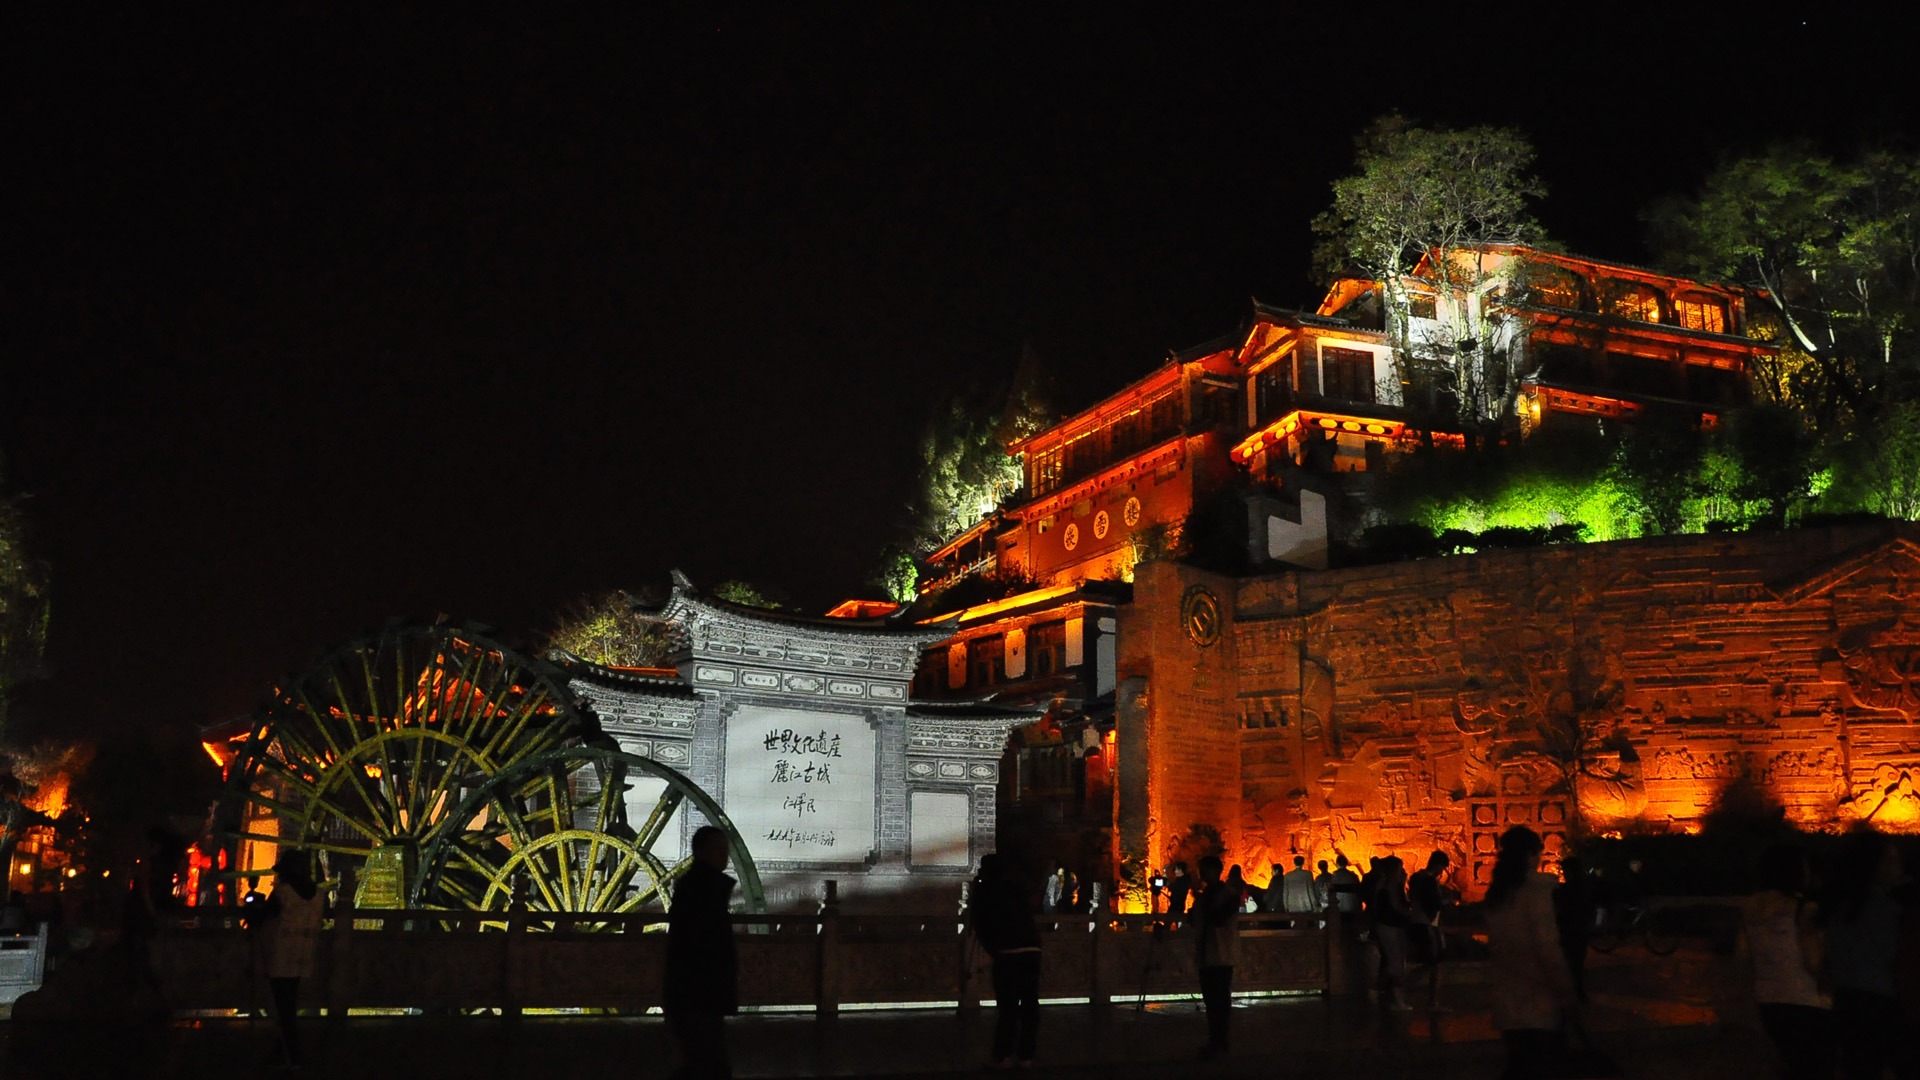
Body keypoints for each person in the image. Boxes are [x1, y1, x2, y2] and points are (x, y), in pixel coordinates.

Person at [1483, 826, 1578, 1079]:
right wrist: (1565, 989)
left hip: (1508, 998)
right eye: (1538, 854)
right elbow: (1546, 945)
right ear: (1529, 855)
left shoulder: (1497, 894)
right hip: (1537, 997)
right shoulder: (1535, 892)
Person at [1824, 829, 1916, 1080]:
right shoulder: (1890, 908)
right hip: (1882, 1003)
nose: (1898, 866)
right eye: (1891, 859)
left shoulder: (1837, 905)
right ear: (1875, 865)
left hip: (1846, 1001)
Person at [1744, 843, 1833, 1080]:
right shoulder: (1804, 909)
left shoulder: (1749, 910)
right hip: (1807, 1001)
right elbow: (1813, 960)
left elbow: (1742, 957)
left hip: (1769, 1001)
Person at [665, 825, 739, 1080]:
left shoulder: (693, 887)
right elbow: (704, 944)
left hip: (693, 993)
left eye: (725, 849)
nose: (725, 855)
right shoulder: (704, 891)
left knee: (700, 1061)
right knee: (709, 1063)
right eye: (719, 849)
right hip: (700, 991)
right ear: (700, 852)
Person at [968, 854, 1041, 1069]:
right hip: (1031, 949)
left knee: (1008, 1007)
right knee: (1029, 1005)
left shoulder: (986, 890)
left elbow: (979, 923)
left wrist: (993, 949)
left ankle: (1002, 1055)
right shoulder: (1014, 887)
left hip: (1008, 952)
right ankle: (1026, 1055)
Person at [255, 851, 325, 1069]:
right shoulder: (319, 894)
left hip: (281, 957)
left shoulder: (283, 893)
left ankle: (291, 1055)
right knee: (289, 1006)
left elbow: (260, 917)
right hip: (303, 957)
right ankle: (284, 1051)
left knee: (283, 1010)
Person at [1191, 855, 1239, 1059]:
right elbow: (1193, 917)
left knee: (1220, 1000)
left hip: (1221, 953)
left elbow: (1217, 918)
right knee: (1211, 1000)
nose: (1203, 875)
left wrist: (1199, 899)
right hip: (1206, 954)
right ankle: (1215, 1039)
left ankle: (1221, 1040)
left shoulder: (1228, 894)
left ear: (1216, 871)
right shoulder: (1206, 894)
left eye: (1205, 870)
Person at [1367, 855, 1414, 1010]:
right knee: (1395, 964)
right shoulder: (1389, 886)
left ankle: (1395, 998)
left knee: (1397, 963)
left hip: (1392, 925)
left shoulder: (1388, 885)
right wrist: (1413, 913)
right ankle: (1380, 991)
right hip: (1389, 926)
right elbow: (1396, 906)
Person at [1408, 850, 1452, 1007]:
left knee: (1429, 962)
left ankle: (1400, 986)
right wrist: (1448, 900)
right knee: (1436, 963)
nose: (1442, 872)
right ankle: (1433, 1001)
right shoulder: (1429, 881)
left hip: (1417, 920)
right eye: (1442, 868)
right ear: (1438, 865)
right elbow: (1435, 903)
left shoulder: (1415, 879)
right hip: (1428, 923)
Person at [1554, 856, 1599, 1003]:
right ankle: (1578, 993)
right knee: (1577, 964)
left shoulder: (1569, 889)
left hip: (1571, 931)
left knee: (1571, 964)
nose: (1564, 873)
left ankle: (1574, 994)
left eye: (1565, 870)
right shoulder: (1584, 887)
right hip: (1580, 930)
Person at [1330, 853, 1362, 918]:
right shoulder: (1354, 876)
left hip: (1339, 909)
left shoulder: (1334, 876)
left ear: (1337, 864)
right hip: (1353, 907)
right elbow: (1359, 893)